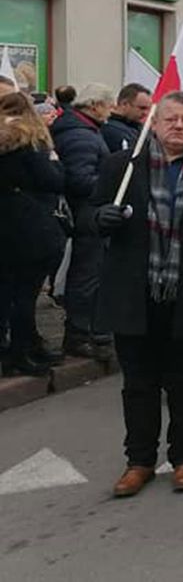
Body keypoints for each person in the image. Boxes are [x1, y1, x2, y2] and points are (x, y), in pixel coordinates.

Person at [88, 92, 183, 496]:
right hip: (135, 295)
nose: (179, 126)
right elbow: (91, 218)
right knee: (138, 384)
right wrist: (100, 218)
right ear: (154, 124)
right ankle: (139, 460)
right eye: (171, 119)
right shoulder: (120, 167)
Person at [0, 93, 66, 376]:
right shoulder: (31, 142)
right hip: (29, 223)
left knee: (8, 291)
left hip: (5, 223)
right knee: (25, 294)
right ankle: (22, 352)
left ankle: (10, 351)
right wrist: (55, 162)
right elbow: (53, 180)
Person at [50, 82, 112, 360]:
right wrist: (111, 182)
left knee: (87, 275)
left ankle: (83, 331)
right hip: (86, 214)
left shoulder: (80, 129)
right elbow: (79, 180)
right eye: (108, 106)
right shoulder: (82, 136)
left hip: (85, 213)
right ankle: (77, 334)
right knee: (85, 276)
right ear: (95, 106)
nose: (110, 112)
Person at [100, 83, 151, 154]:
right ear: (124, 104)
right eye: (142, 108)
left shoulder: (141, 129)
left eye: (148, 109)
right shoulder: (110, 129)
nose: (146, 113)